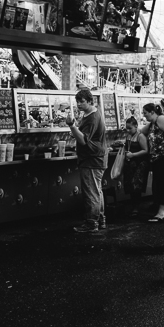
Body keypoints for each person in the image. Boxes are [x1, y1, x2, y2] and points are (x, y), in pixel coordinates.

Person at [68, 88, 107, 233]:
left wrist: (72, 126)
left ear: (90, 101)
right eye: (77, 101)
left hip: (92, 160)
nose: (78, 104)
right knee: (97, 192)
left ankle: (92, 223)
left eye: (82, 101)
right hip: (95, 158)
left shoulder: (92, 117)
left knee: (91, 193)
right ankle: (100, 220)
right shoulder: (89, 114)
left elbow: (84, 140)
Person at [121, 116, 150, 216]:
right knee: (130, 185)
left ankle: (136, 207)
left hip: (139, 164)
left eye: (130, 128)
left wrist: (133, 155)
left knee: (136, 185)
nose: (128, 130)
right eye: (127, 128)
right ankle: (134, 205)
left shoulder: (140, 136)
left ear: (136, 126)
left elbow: (145, 150)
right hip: (130, 164)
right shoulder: (129, 136)